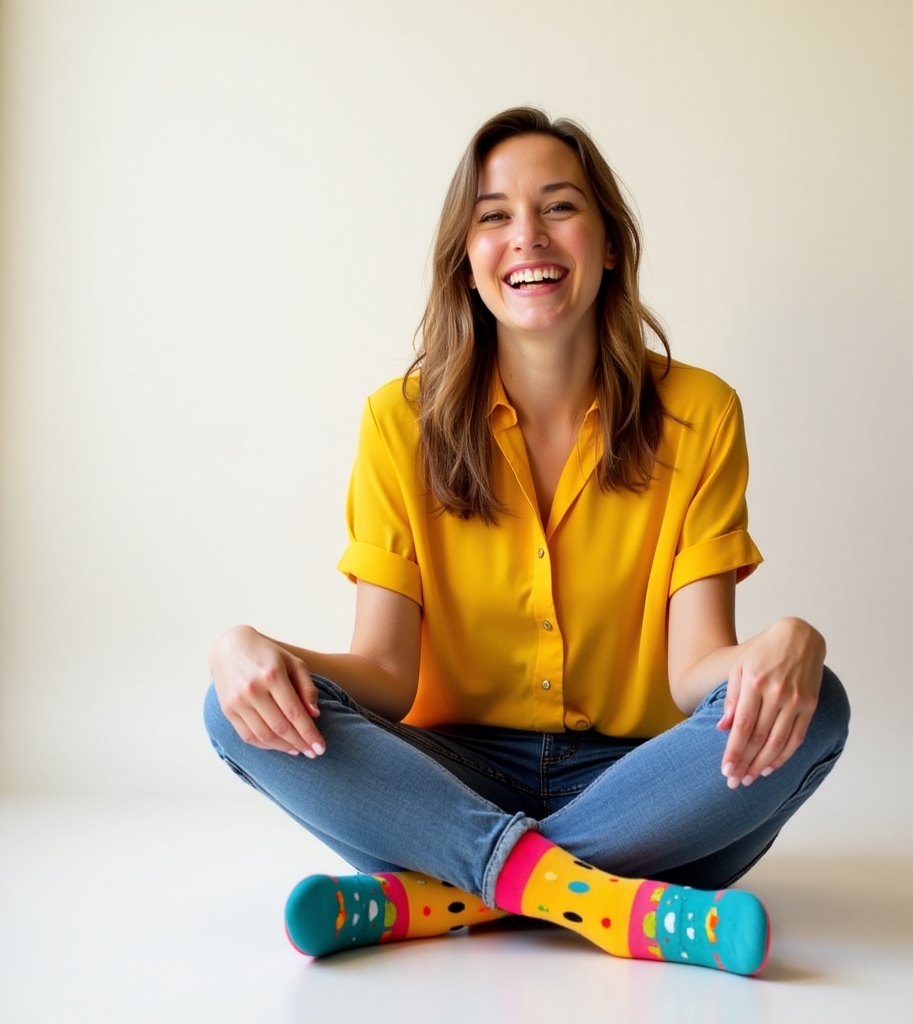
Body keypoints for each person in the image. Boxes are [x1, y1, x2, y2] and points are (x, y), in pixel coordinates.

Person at [204, 107, 849, 976]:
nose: (528, 236)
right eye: (494, 215)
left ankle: (446, 896)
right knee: (230, 707)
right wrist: (251, 652)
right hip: (447, 780)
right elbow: (385, 676)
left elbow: (695, 668)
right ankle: (603, 901)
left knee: (818, 704)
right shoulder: (398, 423)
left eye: (559, 206)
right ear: (465, 260)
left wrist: (785, 646)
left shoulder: (701, 413)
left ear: (609, 243)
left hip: (642, 786)